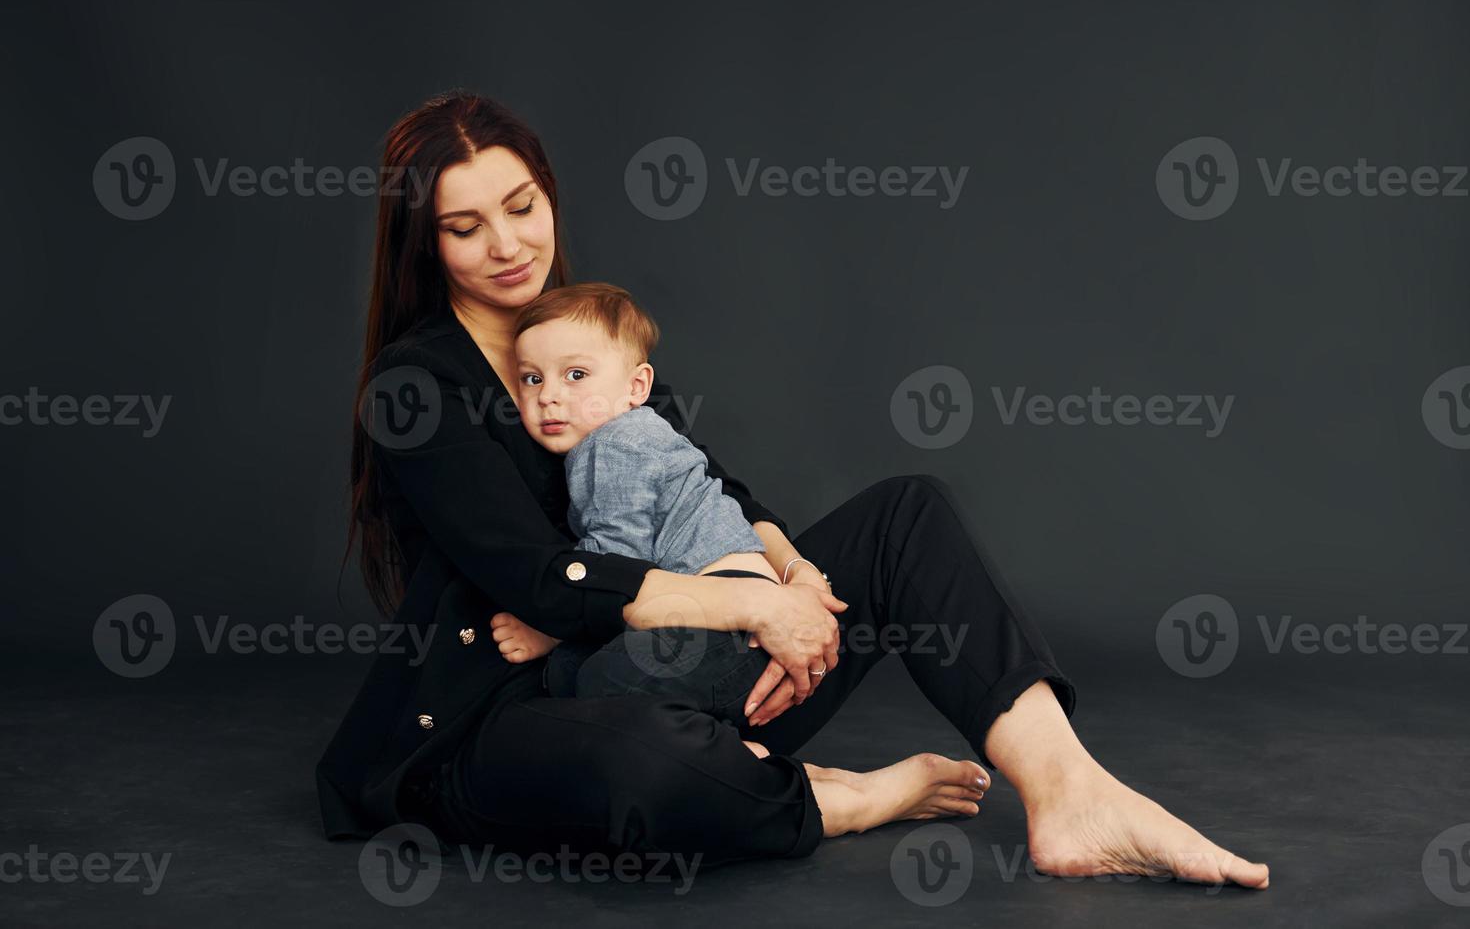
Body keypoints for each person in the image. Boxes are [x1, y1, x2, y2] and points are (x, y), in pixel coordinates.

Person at [317, 88, 1270, 887]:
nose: (506, 244)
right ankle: (848, 795)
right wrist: (754, 612)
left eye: (522, 205)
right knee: (647, 766)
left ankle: (1069, 792)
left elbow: (703, 482)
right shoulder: (420, 381)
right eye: (464, 225)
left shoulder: (581, 339)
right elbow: (532, 575)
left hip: (671, 660)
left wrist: (797, 578)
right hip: (498, 719)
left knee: (905, 516)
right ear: (422, 240)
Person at [500, 280, 800, 724]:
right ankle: (716, 748)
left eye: (576, 375)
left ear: (637, 386)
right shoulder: (641, 432)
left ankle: (728, 760)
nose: (548, 396)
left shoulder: (616, 444)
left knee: (600, 679)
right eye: (532, 378)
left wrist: (548, 627)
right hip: (715, 612)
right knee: (569, 672)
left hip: (730, 624)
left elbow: (619, 557)